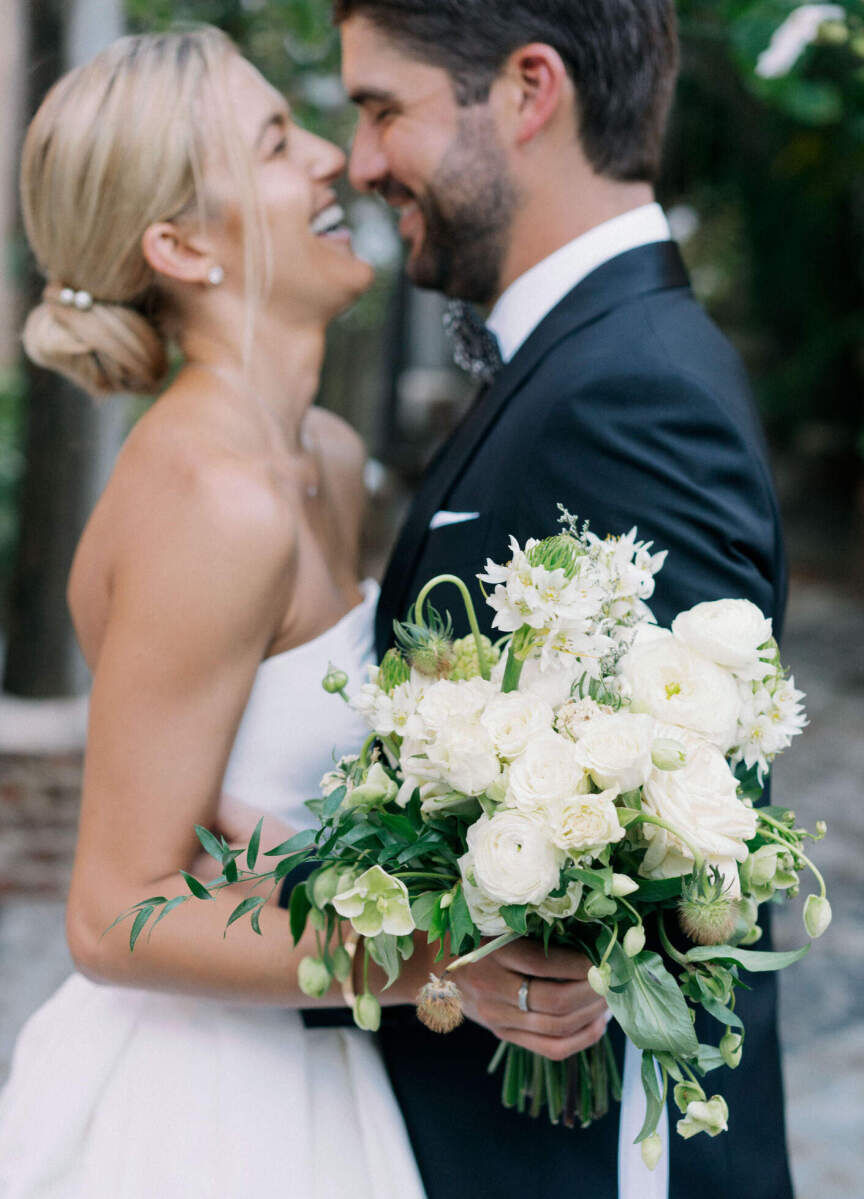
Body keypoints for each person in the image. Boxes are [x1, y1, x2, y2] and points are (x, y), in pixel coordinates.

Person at [333, 3, 793, 1199]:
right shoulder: (577, 360)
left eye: (386, 108)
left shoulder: (632, 391)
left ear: (530, 92)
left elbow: (688, 873)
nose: (362, 160)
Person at [0, 26, 435, 1197]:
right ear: (183, 245)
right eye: (278, 143)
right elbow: (110, 914)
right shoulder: (214, 503)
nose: (333, 163)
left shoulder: (326, 459)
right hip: (206, 1110)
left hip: (318, 1057)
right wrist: (446, 957)